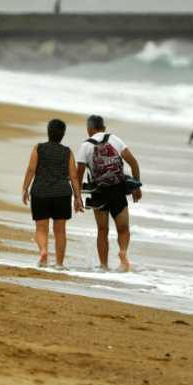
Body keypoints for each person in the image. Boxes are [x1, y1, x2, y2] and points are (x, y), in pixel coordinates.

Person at [76, 115, 142, 272]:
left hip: (98, 192)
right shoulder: (115, 139)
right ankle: (123, 253)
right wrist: (136, 186)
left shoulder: (85, 146)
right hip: (118, 189)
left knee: (102, 230)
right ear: (103, 128)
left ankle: (104, 266)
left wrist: (77, 197)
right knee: (123, 228)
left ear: (89, 129)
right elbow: (133, 163)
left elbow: (78, 175)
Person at [21, 118, 83, 267]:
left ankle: (43, 251)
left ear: (48, 132)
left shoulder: (39, 148)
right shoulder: (67, 152)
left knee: (41, 228)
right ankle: (59, 264)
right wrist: (78, 197)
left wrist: (25, 188)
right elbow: (74, 176)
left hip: (40, 192)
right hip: (62, 194)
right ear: (63, 134)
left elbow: (31, 169)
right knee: (60, 231)